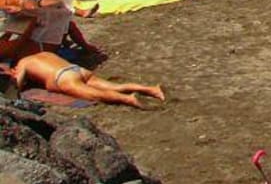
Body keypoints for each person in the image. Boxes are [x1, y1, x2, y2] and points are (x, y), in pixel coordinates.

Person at [1, 51, 164, 108]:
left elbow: (16, 86)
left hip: (62, 79)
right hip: (77, 69)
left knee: (96, 94)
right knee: (114, 86)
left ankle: (128, 99)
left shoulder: (23, 63)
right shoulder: (44, 54)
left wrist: (17, 79)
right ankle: (151, 89)